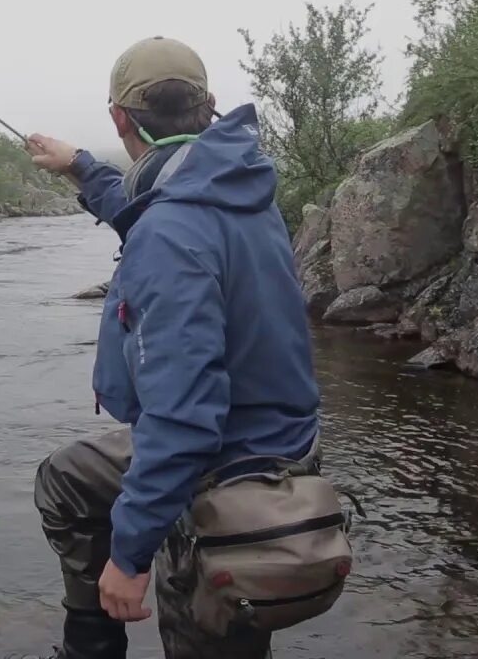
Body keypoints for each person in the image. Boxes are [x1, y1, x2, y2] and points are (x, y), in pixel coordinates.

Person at [23, 37, 322, 659]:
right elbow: (148, 207)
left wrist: (128, 556)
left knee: (206, 636)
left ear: (120, 119)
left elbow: (184, 420)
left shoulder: (170, 231)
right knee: (69, 479)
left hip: (226, 469)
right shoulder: (240, 187)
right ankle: (89, 650)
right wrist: (79, 164)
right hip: (279, 443)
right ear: (209, 106)